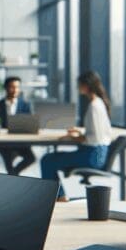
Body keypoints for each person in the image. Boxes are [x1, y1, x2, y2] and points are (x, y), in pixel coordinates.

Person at [40, 71, 112, 202]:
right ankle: (59, 195)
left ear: (86, 85)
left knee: (47, 160)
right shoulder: (99, 103)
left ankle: (60, 196)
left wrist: (72, 138)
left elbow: (93, 138)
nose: (77, 87)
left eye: (79, 84)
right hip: (96, 153)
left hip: (92, 156)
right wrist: (79, 132)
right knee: (50, 160)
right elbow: (97, 133)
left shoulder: (94, 106)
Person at [0, 76, 36, 175]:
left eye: (17, 87)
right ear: (6, 88)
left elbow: (29, 124)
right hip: (3, 141)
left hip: (20, 140)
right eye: (12, 87)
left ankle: (12, 174)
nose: (15, 90)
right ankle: (12, 175)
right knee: (8, 155)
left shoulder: (26, 105)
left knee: (31, 158)